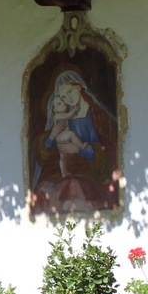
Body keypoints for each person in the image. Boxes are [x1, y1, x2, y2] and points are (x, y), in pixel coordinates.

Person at [31, 68, 116, 213]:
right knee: (43, 189)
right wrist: (51, 137)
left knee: (73, 186)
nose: (68, 98)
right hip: (65, 171)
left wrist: (80, 151)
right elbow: (47, 154)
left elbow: (108, 150)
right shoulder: (64, 115)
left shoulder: (97, 115)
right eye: (63, 97)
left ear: (78, 87)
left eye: (69, 92)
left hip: (91, 173)